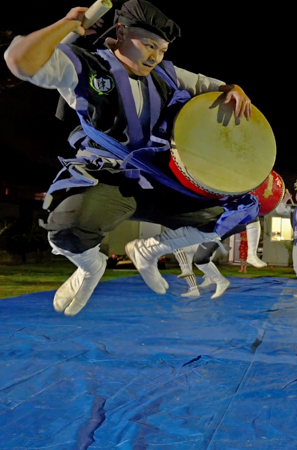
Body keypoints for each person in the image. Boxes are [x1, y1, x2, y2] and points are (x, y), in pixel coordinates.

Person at [3, 1, 256, 316]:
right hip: (107, 179)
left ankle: (149, 250)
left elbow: (212, 86)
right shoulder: (85, 67)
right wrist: (68, 24)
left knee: (237, 211)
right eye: (149, 45)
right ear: (121, 34)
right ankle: (90, 265)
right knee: (66, 230)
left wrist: (235, 89)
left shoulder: (166, 73)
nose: (155, 56)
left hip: (157, 180)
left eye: (161, 49)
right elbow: (19, 60)